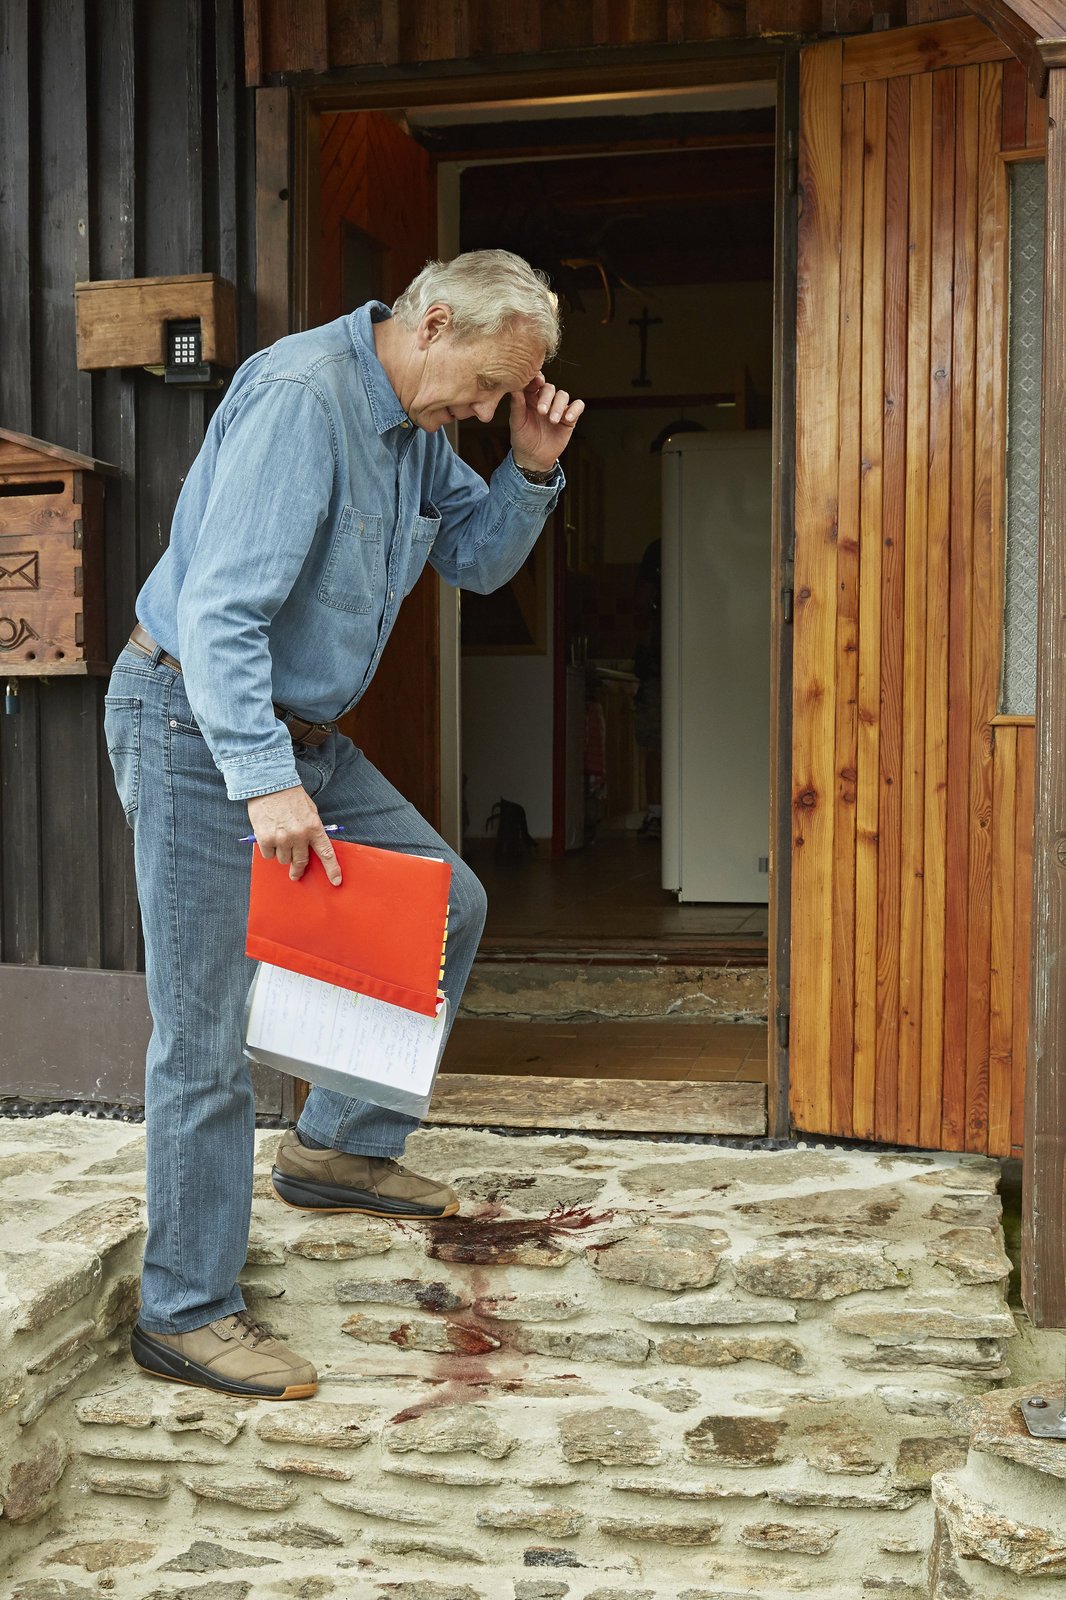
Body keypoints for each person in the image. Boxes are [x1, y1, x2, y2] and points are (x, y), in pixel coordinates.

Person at [104, 250, 583, 1401]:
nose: (480, 410)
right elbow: (219, 613)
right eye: (482, 388)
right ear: (431, 323)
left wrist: (526, 469)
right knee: (203, 1031)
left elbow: (472, 557)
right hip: (194, 719)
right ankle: (186, 1308)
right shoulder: (300, 399)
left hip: (299, 730)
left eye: (500, 400)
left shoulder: (419, 429)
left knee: (445, 900)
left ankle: (337, 1145)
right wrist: (265, 781)